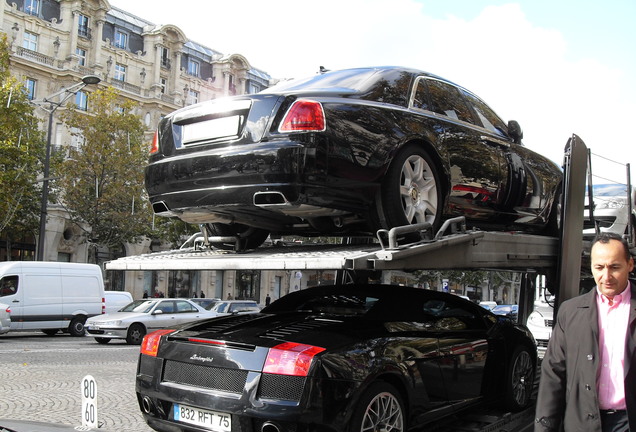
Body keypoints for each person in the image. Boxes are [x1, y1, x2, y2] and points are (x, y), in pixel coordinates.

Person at [535, 232, 636, 431]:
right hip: (582, 423)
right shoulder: (570, 312)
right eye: (599, 267)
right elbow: (553, 374)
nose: (606, 277)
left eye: (615, 267)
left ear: (630, 265)